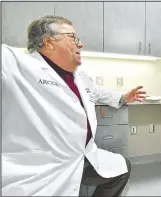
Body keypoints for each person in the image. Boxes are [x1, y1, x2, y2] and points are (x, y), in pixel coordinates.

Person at [2, 15, 146, 196]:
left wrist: (123, 97)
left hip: (82, 156)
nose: (81, 44)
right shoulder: (16, 65)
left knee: (123, 168)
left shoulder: (80, 76)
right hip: (39, 171)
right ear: (49, 42)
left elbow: (96, 92)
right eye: (73, 37)